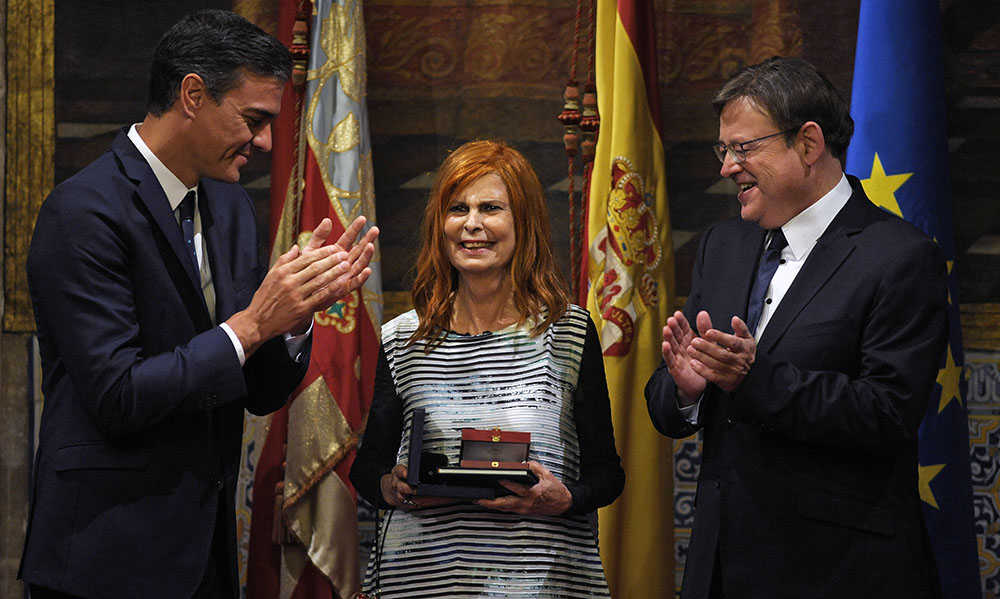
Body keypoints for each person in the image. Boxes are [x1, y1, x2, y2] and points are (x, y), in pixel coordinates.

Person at [19, 10, 378, 599]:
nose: (263, 142)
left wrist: (294, 316)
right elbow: (118, 396)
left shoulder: (230, 205)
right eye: (253, 120)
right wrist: (253, 323)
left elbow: (256, 389)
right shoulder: (82, 212)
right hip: (103, 559)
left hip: (204, 559)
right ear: (192, 94)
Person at [645, 57, 947, 599]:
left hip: (837, 572)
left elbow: (888, 413)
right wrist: (686, 388)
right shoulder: (724, 245)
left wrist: (753, 378)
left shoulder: (900, 256)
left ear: (808, 143)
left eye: (744, 148)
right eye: (724, 150)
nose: (727, 168)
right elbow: (674, 399)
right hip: (720, 568)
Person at [349, 140, 624, 597]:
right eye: (457, 208)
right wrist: (389, 485)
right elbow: (367, 469)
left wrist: (566, 498)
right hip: (419, 583)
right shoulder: (402, 338)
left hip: (540, 584)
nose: (472, 224)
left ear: (524, 222)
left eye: (490, 208)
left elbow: (607, 473)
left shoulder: (570, 332)